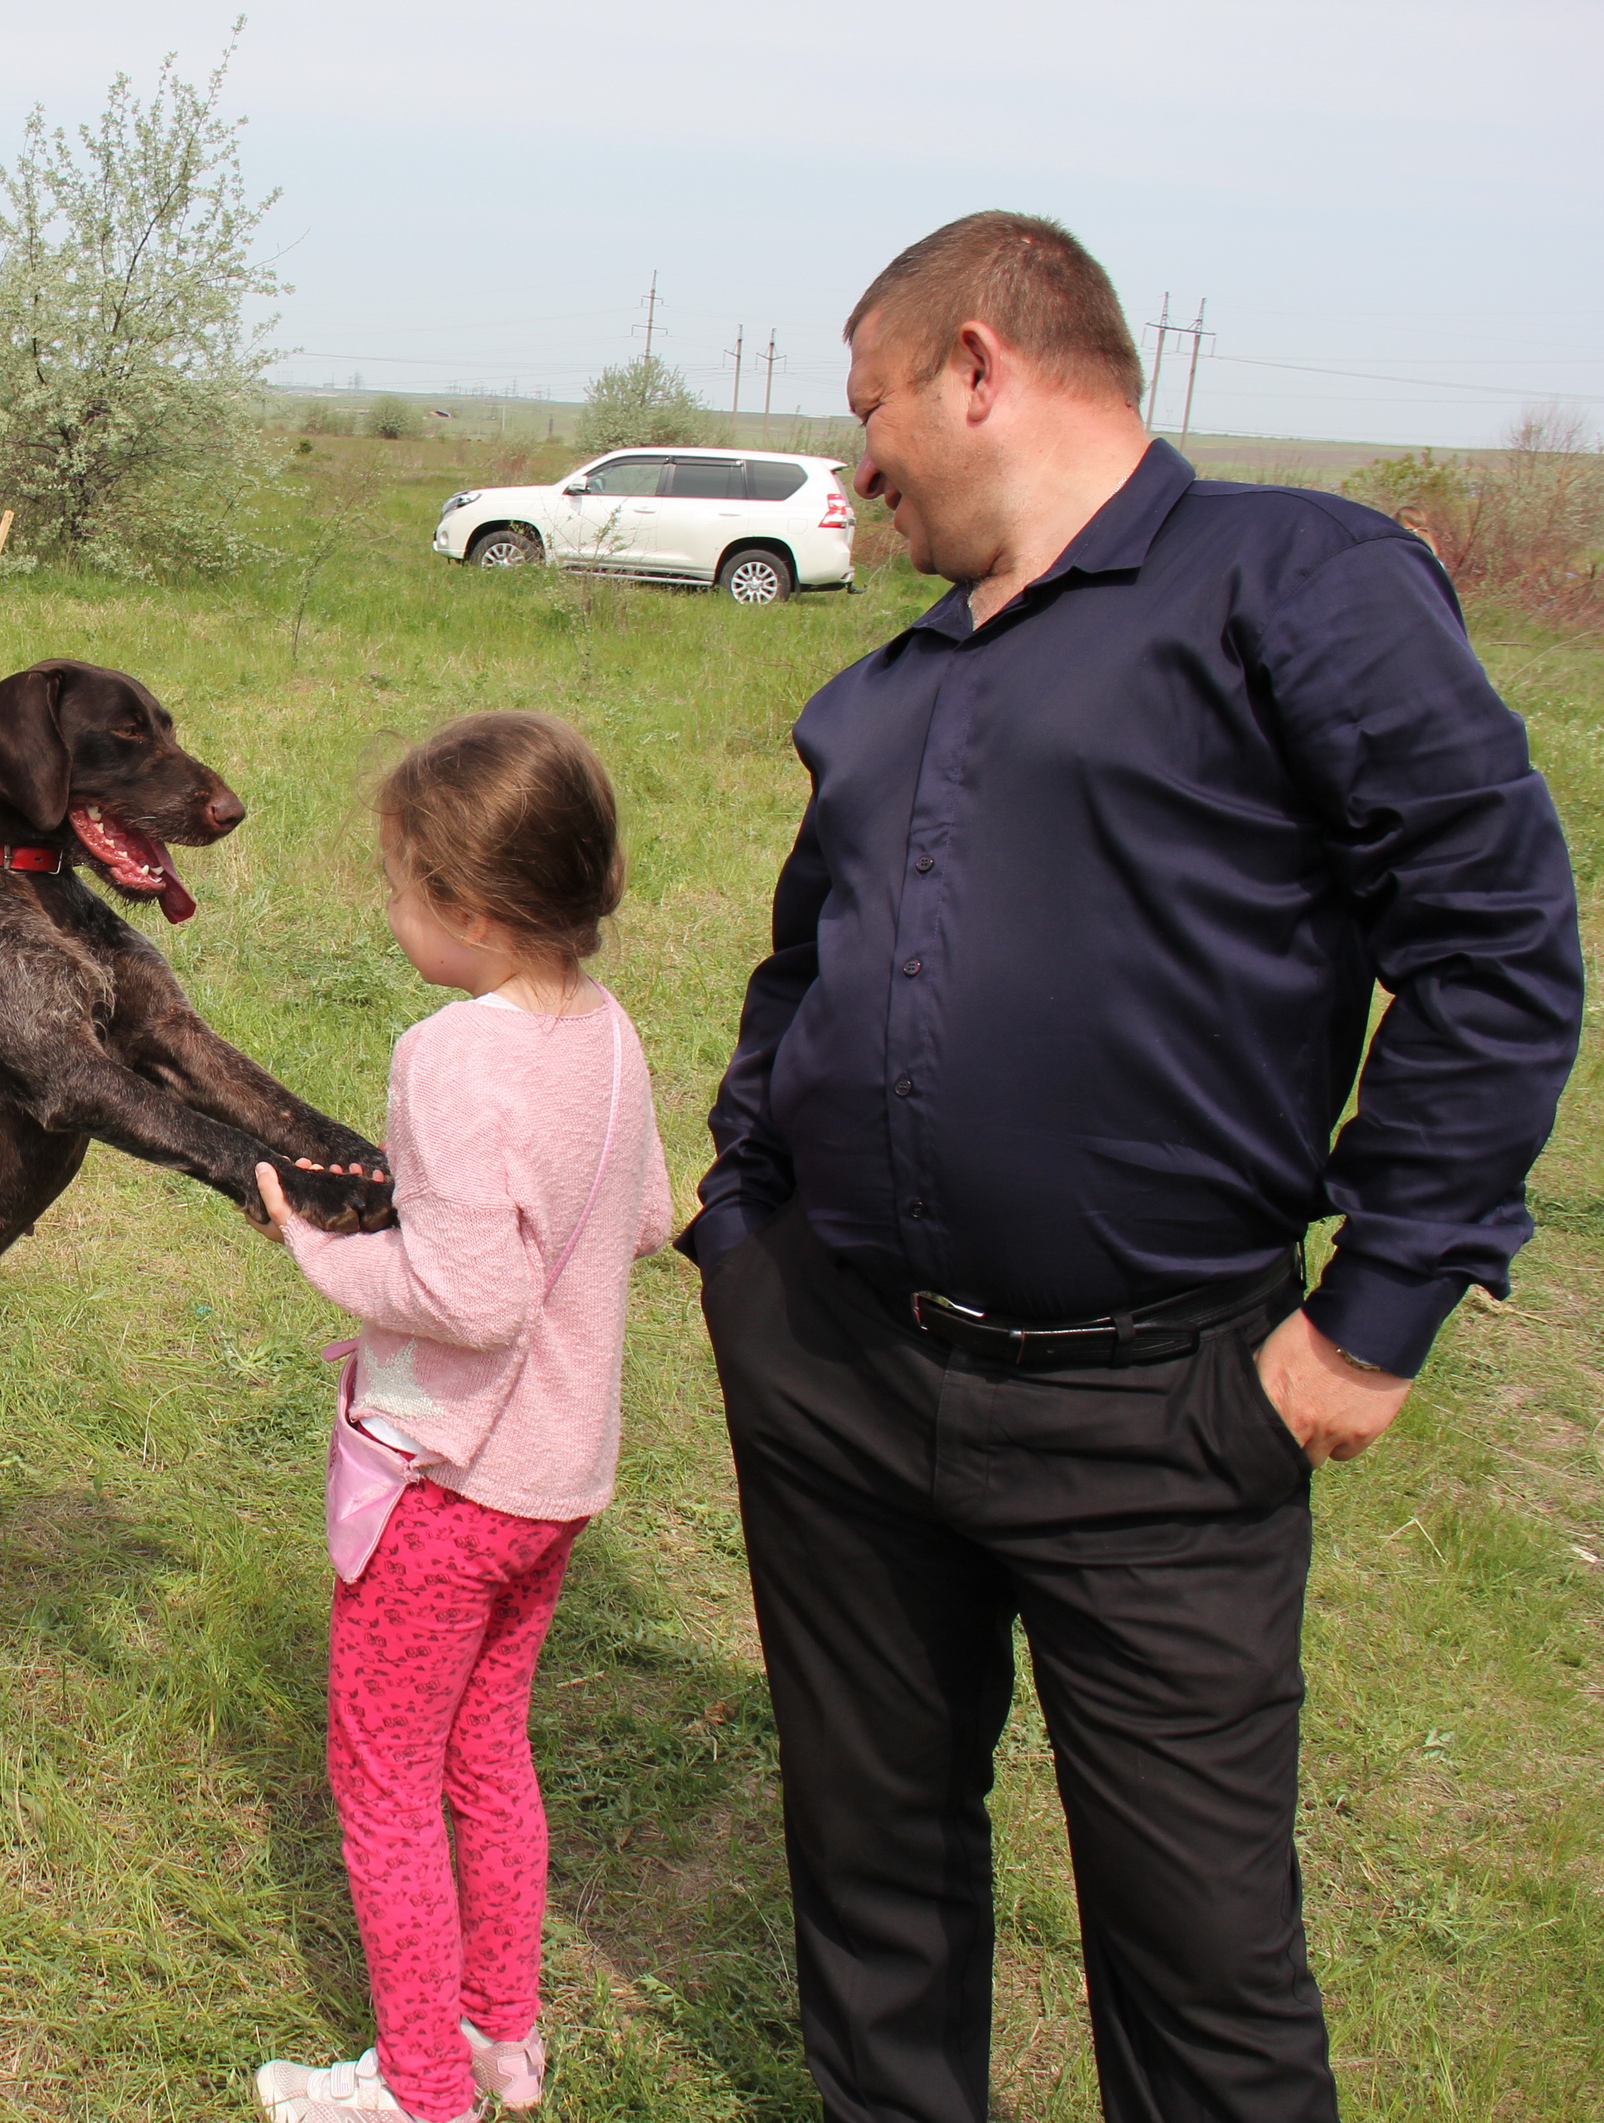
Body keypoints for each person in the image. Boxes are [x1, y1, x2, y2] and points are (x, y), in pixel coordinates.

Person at [684, 212, 1582, 2123]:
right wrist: (741, 1232)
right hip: (835, 1371)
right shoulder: (884, 689)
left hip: (1155, 1411)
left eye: (868, 406)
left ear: (976, 366)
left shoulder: (1287, 579)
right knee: (867, 1871)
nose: (857, 465)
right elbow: (796, 967)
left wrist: (1370, 1315)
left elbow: (1492, 938)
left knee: (1198, 1954)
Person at [247, 713, 672, 2123]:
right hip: (555, 1483)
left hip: (444, 1486)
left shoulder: (449, 1056)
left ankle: (423, 2087)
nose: (391, 908)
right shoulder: (609, 1032)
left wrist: (318, 1244)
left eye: (399, 883)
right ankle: (501, 2032)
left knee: (382, 1782)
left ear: (472, 909)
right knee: (487, 1748)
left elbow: (469, 1295)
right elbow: (646, 1215)